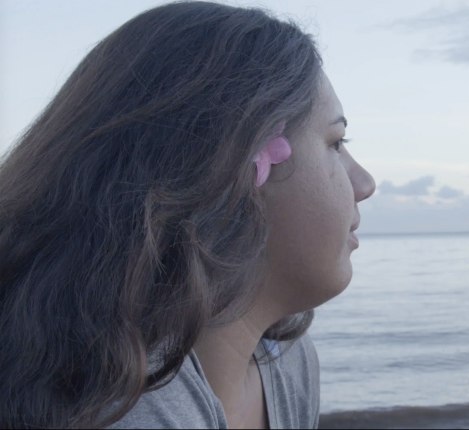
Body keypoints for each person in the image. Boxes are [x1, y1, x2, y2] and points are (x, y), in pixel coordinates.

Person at [0, 2, 375, 428]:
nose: (364, 184)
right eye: (335, 142)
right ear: (228, 165)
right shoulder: (120, 411)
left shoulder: (285, 362)